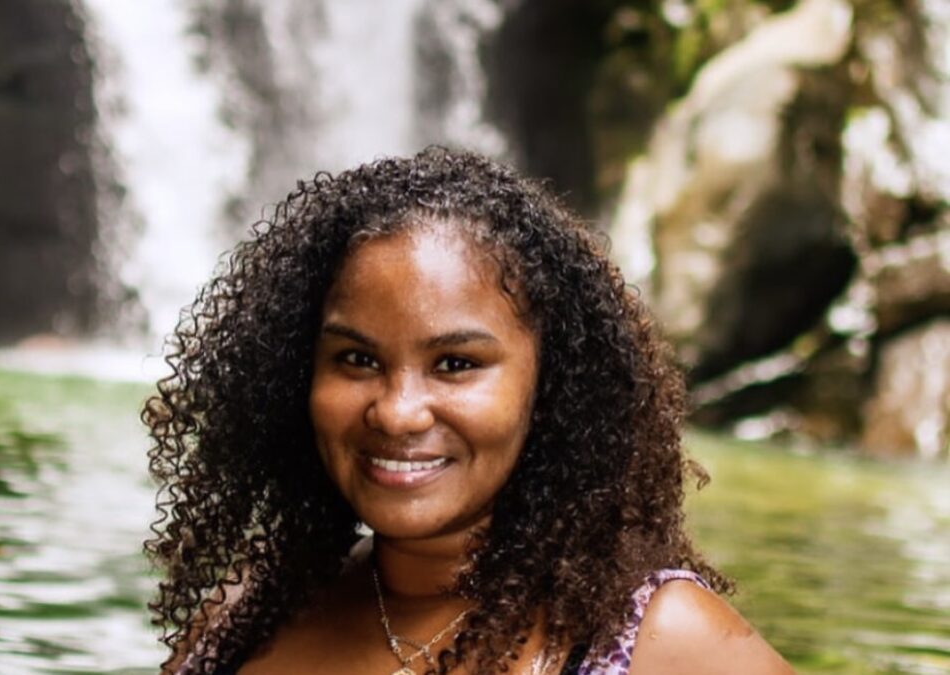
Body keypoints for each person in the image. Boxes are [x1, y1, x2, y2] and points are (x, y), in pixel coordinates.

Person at [143, 147, 794, 675]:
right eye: (357, 360)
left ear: (550, 383)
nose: (398, 413)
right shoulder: (243, 621)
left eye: (456, 363)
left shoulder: (664, 642)